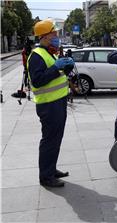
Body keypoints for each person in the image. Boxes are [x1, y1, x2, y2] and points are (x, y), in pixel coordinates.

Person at [27, 19, 74, 187]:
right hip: (48, 105)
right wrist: (56, 68)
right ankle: (46, 177)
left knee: (56, 138)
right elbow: (38, 81)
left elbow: (56, 75)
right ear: (45, 36)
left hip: (58, 102)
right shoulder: (36, 56)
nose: (56, 36)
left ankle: (51, 169)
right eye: (53, 33)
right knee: (49, 140)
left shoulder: (50, 52)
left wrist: (66, 68)